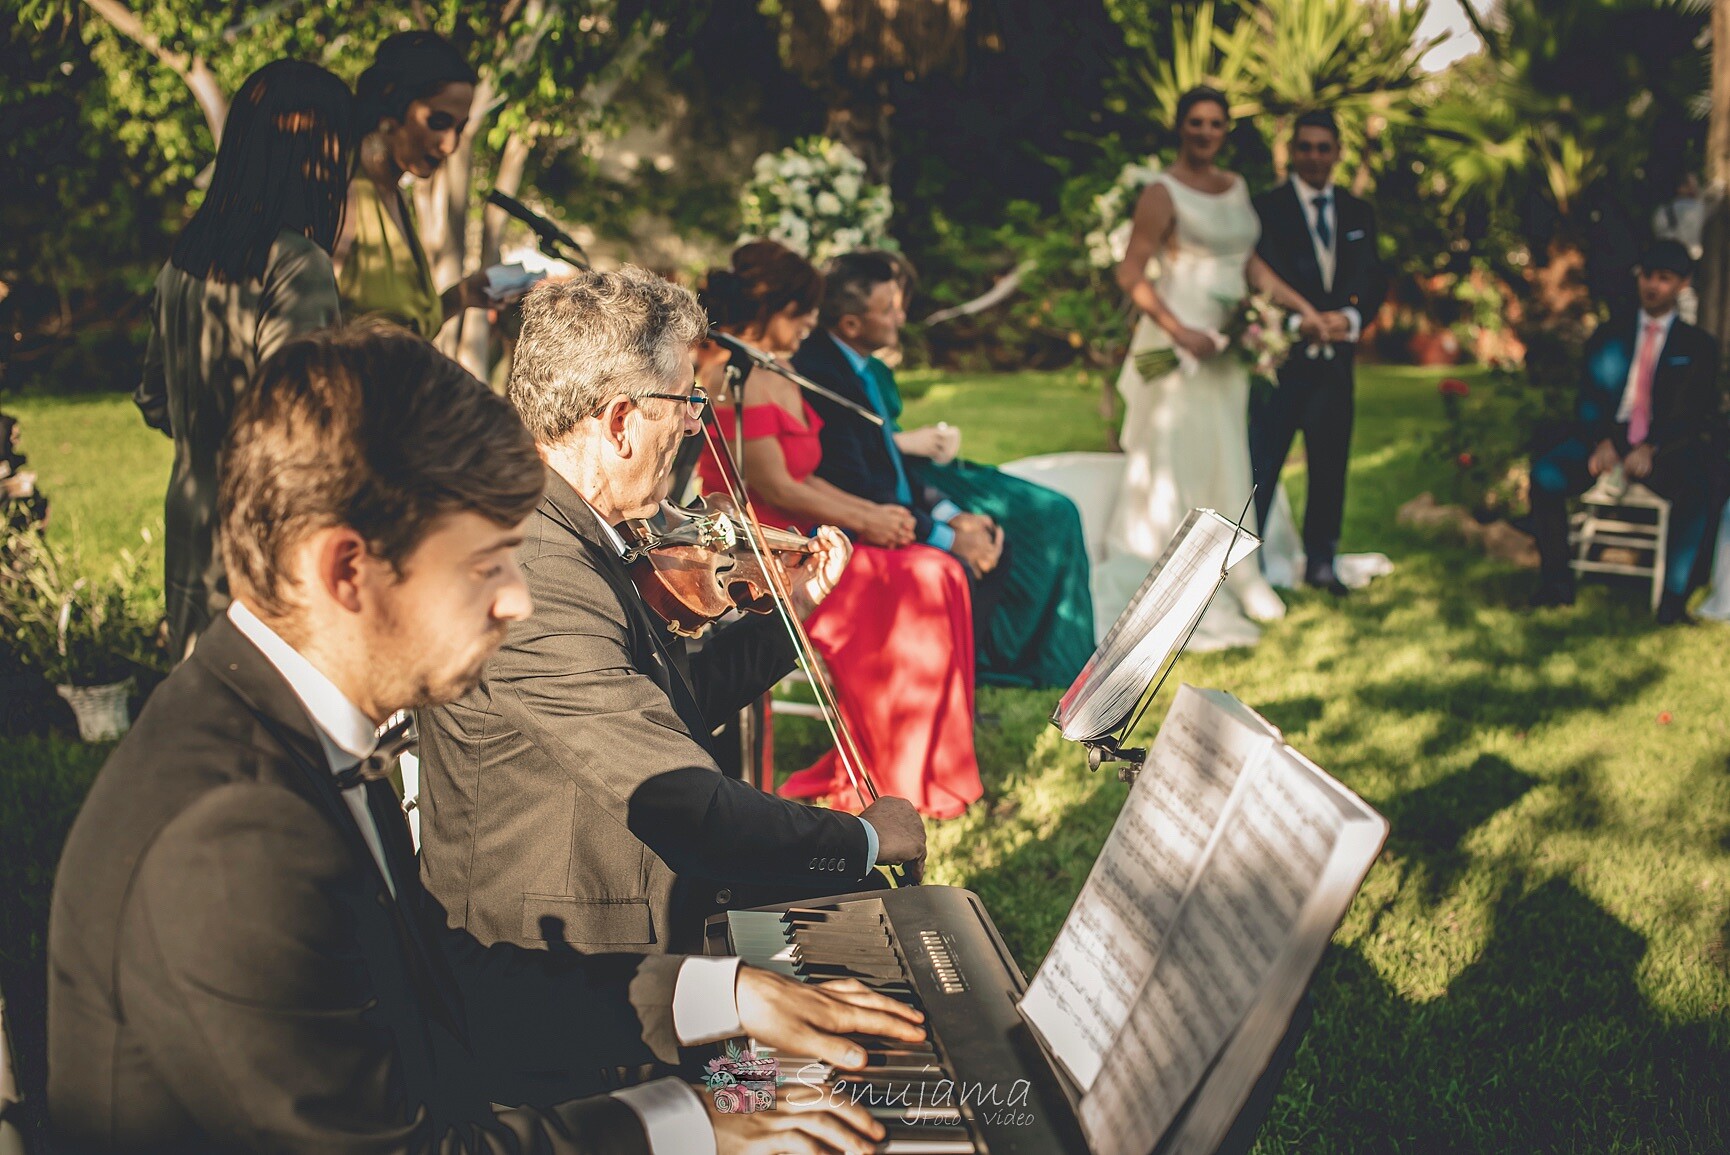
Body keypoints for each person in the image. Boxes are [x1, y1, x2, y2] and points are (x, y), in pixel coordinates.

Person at [48, 326, 914, 1153]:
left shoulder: (283, 726)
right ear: (346, 571)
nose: (516, 600)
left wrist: (720, 991)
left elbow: (447, 979)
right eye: (484, 564)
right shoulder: (234, 832)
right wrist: (689, 1125)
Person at [414, 269, 927, 969]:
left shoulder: (585, 529)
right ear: (620, 420)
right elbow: (688, 806)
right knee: (869, 958)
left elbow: (671, 705)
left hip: (637, 902)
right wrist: (863, 837)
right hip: (566, 957)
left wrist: (793, 609)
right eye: (686, 400)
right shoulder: (537, 569)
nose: (697, 419)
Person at [695, 244, 983, 817]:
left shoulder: (778, 368)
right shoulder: (731, 377)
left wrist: (864, 514)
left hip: (814, 528)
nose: (811, 323)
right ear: (773, 308)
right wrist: (864, 517)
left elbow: (808, 476)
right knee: (926, 577)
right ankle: (898, 770)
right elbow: (775, 487)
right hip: (777, 549)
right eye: (803, 311)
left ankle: (924, 760)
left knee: (941, 570)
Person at [134, 59, 352, 661]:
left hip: (191, 519)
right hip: (265, 543)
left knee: (205, 717)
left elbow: (153, 396)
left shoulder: (187, 259)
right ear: (321, 156)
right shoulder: (295, 263)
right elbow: (301, 431)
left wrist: (205, 439)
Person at [801, 250, 1097, 689]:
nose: (901, 317)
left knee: (992, 542)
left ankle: (960, 683)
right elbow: (862, 487)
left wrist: (949, 514)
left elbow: (891, 473)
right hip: (858, 527)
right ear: (850, 324)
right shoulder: (828, 376)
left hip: (896, 507)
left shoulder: (856, 366)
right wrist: (947, 536)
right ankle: (946, 687)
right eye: (888, 309)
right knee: (967, 557)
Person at [1099, 86, 1327, 649]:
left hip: (1231, 346)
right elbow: (1130, 272)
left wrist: (1301, 310)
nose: (1206, 132)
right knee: (1181, 452)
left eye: (1216, 124)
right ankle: (1176, 573)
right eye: (1196, 123)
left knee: (1231, 449)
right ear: (1180, 127)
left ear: (1227, 130)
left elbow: (1250, 264)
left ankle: (1240, 570)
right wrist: (1180, 331)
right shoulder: (1161, 191)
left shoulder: (1237, 189)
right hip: (1181, 344)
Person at [1527, 240, 1724, 624]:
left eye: (1664, 279)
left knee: (1698, 487)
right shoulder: (1608, 335)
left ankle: (1673, 601)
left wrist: (1652, 446)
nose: (1652, 286)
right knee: (1545, 477)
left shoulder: (1699, 347)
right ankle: (1556, 584)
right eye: (1647, 276)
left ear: (1682, 284)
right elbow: (1588, 396)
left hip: (1662, 446)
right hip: (1605, 439)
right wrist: (1601, 441)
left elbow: (1695, 413)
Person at [1250, 109, 1389, 596]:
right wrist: (1293, 323)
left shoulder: (1358, 212)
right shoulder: (1265, 209)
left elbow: (1372, 278)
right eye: (1304, 147)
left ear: (1337, 153)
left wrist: (1348, 320)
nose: (1313, 156)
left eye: (1322, 147)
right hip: (1281, 362)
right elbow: (1255, 277)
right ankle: (1247, 568)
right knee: (1261, 464)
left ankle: (1322, 561)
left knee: (1330, 464)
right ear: (1292, 151)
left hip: (1336, 366)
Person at [335, 32, 497, 338]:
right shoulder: (343, 192)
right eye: (438, 122)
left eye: (459, 129)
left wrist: (462, 296)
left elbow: (407, 334)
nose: (449, 145)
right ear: (393, 107)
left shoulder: (395, 198)